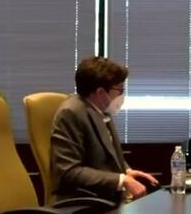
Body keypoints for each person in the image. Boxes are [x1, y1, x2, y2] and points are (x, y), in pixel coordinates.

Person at [51, 56, 158, 203]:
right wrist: (121, 180)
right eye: (120, 90)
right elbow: (68, 172)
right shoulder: (71, 113)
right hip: (83, 207)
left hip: (106, 201)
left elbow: (107, 156)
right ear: (100, 93)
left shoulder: (101, 110)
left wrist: (127, 172)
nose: (122, 95)